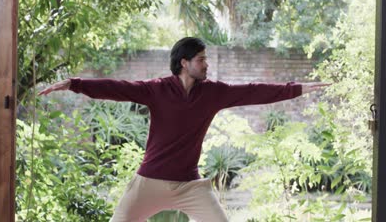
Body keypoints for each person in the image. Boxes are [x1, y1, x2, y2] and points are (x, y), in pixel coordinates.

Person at [38, 37, 330, 222]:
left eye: (206, 59)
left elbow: (254, 91)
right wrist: (75, 84)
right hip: (149, 183)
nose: (207, 65)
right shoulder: (156, 90)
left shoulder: (213, 93)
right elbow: (118, 87)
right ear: (184, 63)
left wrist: (300, 89)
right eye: (201, 59)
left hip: (190, 186)